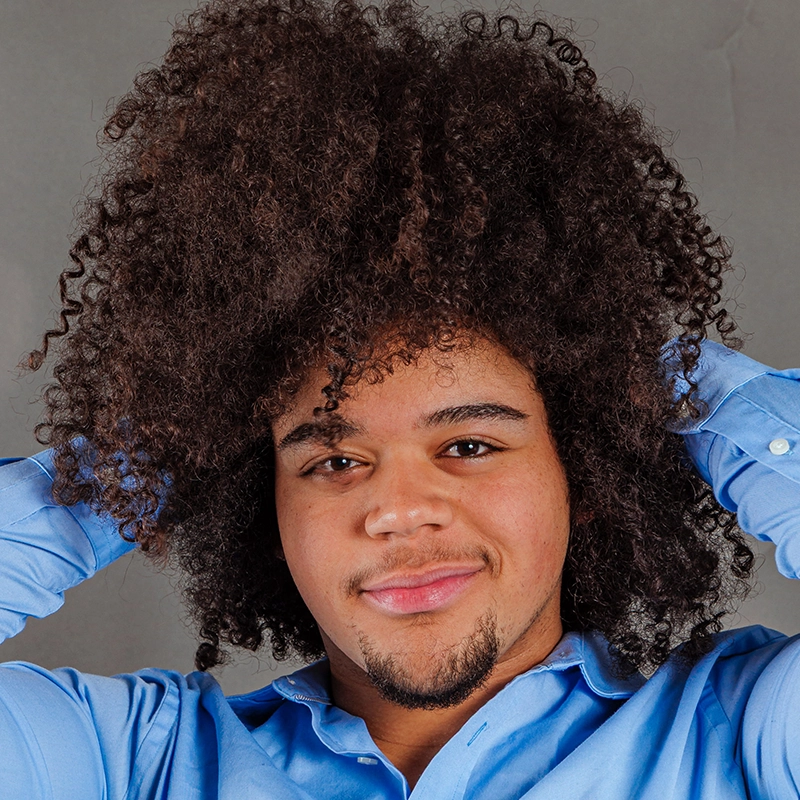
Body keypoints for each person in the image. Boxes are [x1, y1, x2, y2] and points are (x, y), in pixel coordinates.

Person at [1, 0, 798, 797]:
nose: (398, 509)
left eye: (469, 445)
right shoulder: (131, 764)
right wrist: (123, 474)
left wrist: (687, 391)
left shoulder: (739, 735)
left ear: (584, 474)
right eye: (336, 458)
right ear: (266, 508)